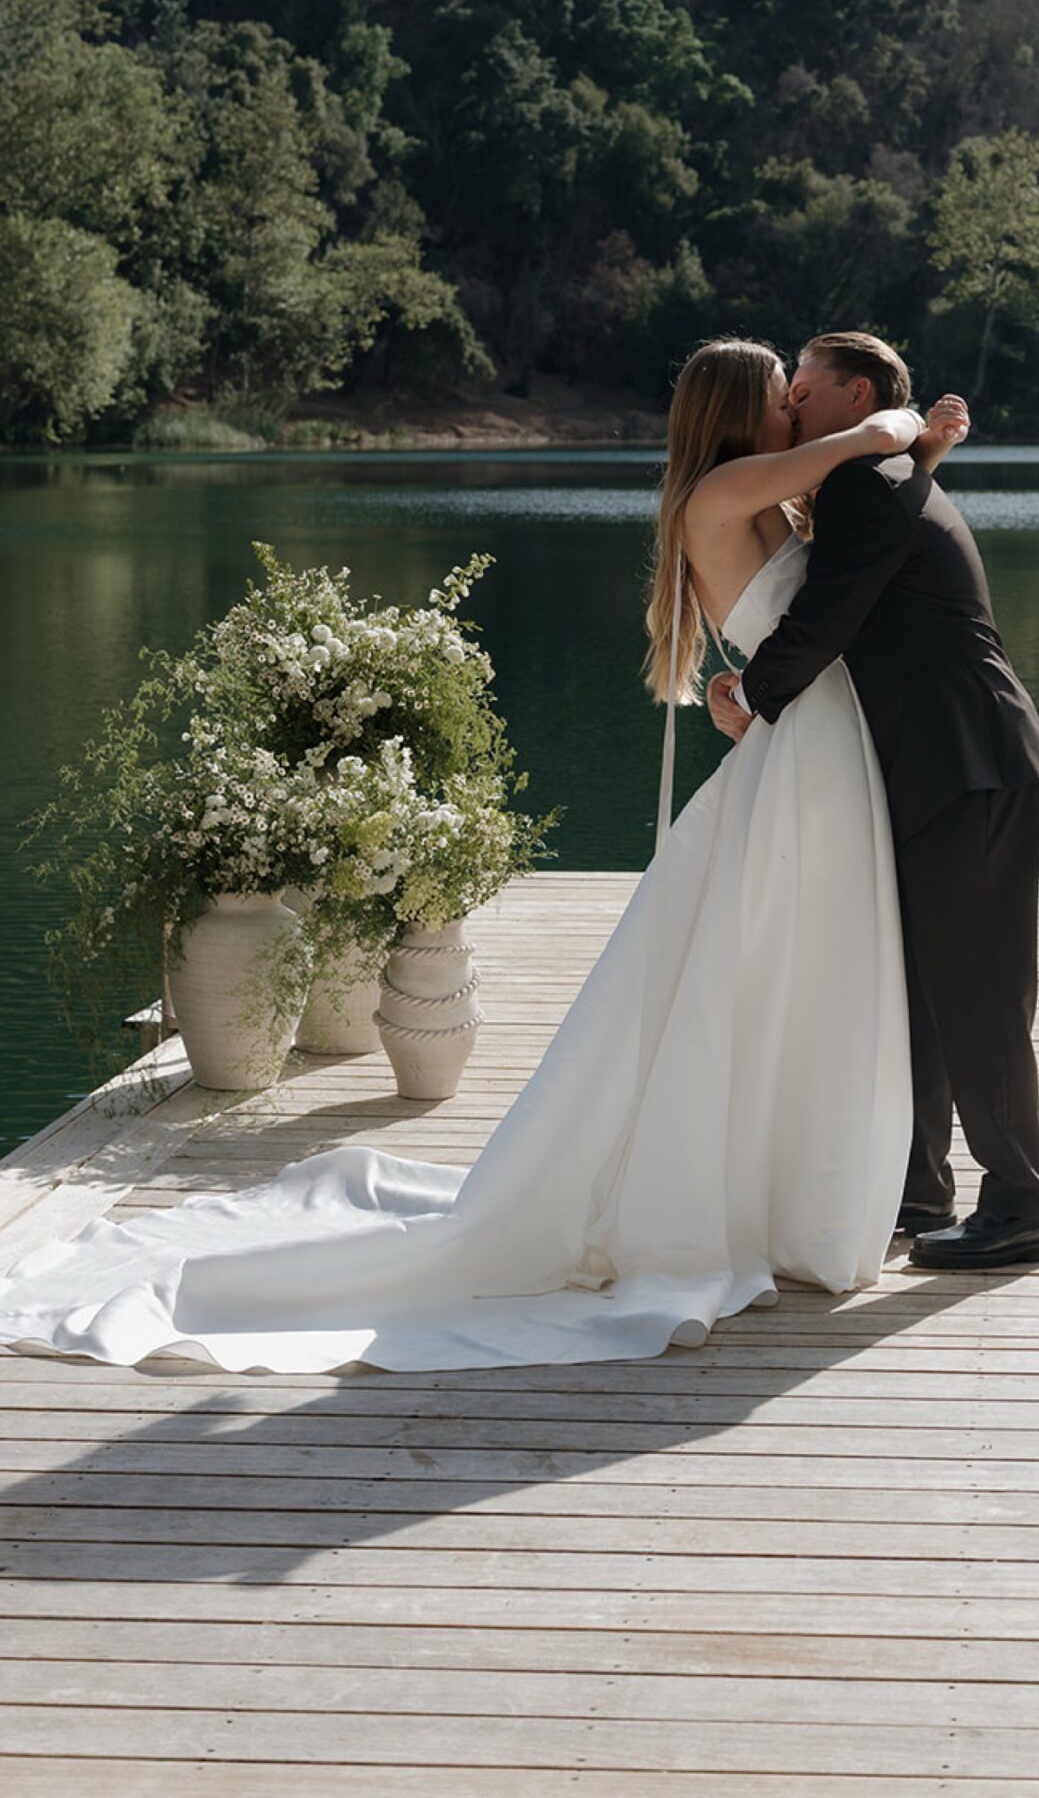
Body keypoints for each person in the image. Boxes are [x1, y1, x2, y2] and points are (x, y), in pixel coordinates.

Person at [0, 339, 966, 1374]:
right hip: (805, 756)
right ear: (740, 410)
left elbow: (851, 565)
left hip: (812, 749)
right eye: (782, 394)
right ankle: (777, 1199)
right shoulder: (725, 491)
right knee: (786, 967)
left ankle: (808, 1190)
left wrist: (915, 462)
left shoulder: (769, 492)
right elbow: (861, 445)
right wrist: (906, 429)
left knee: (799, 972)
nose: (795, 408)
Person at [710, 330, 1039, 1271]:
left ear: (856, 395)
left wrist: (748, 696)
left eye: (802, 391)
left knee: (977, 997)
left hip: (969, 763)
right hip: (937, 768)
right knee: (927, 992)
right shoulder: (875, 478)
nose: (790, 407)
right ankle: (919, 1190)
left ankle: (1026, 1205)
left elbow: (826, 615)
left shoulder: (864, 484)